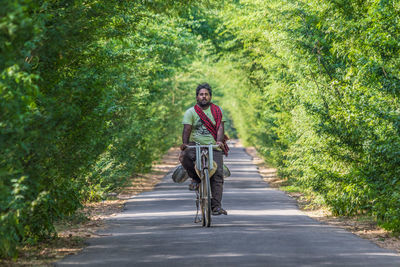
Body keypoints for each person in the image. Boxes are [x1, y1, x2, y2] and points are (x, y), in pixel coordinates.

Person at [179, 83, 229, 216]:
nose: (204, 96)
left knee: (218, 175)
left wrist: (219, 141)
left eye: (206, 94)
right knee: (184, 156)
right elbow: (187, 129)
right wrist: (185, 144)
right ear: (197, 97)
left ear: (210, 96)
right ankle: (195, 178)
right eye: (201, 94)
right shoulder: (191, 112)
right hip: (195, 145)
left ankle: (216, 206)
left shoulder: (217, 111)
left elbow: (220, 127)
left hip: (213, 146)